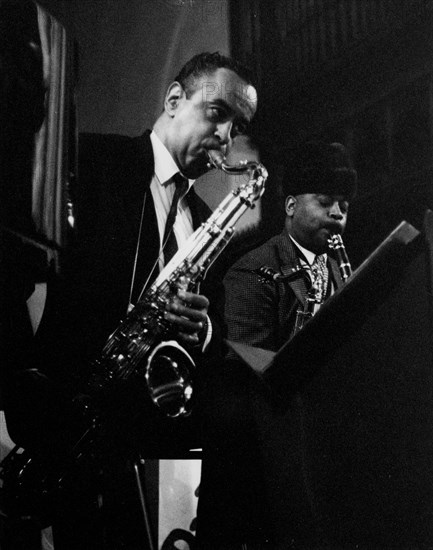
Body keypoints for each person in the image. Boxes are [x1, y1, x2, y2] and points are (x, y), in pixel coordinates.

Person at [2, 51, 258, 549]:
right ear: (174, 99)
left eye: (238, 126)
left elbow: (220, 332)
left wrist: (201, 330)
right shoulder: (91, 160)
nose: (226, 137)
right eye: (217, 113)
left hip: (133, 445)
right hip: (55, 420)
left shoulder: (208, 222)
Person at [196, 140, 357, 549]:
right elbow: (248, 366)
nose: (338, 214)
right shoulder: (252, 268)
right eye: (325, 202)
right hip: (256, 457)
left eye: (343, 205)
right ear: (289, 207)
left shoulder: (340, 271)